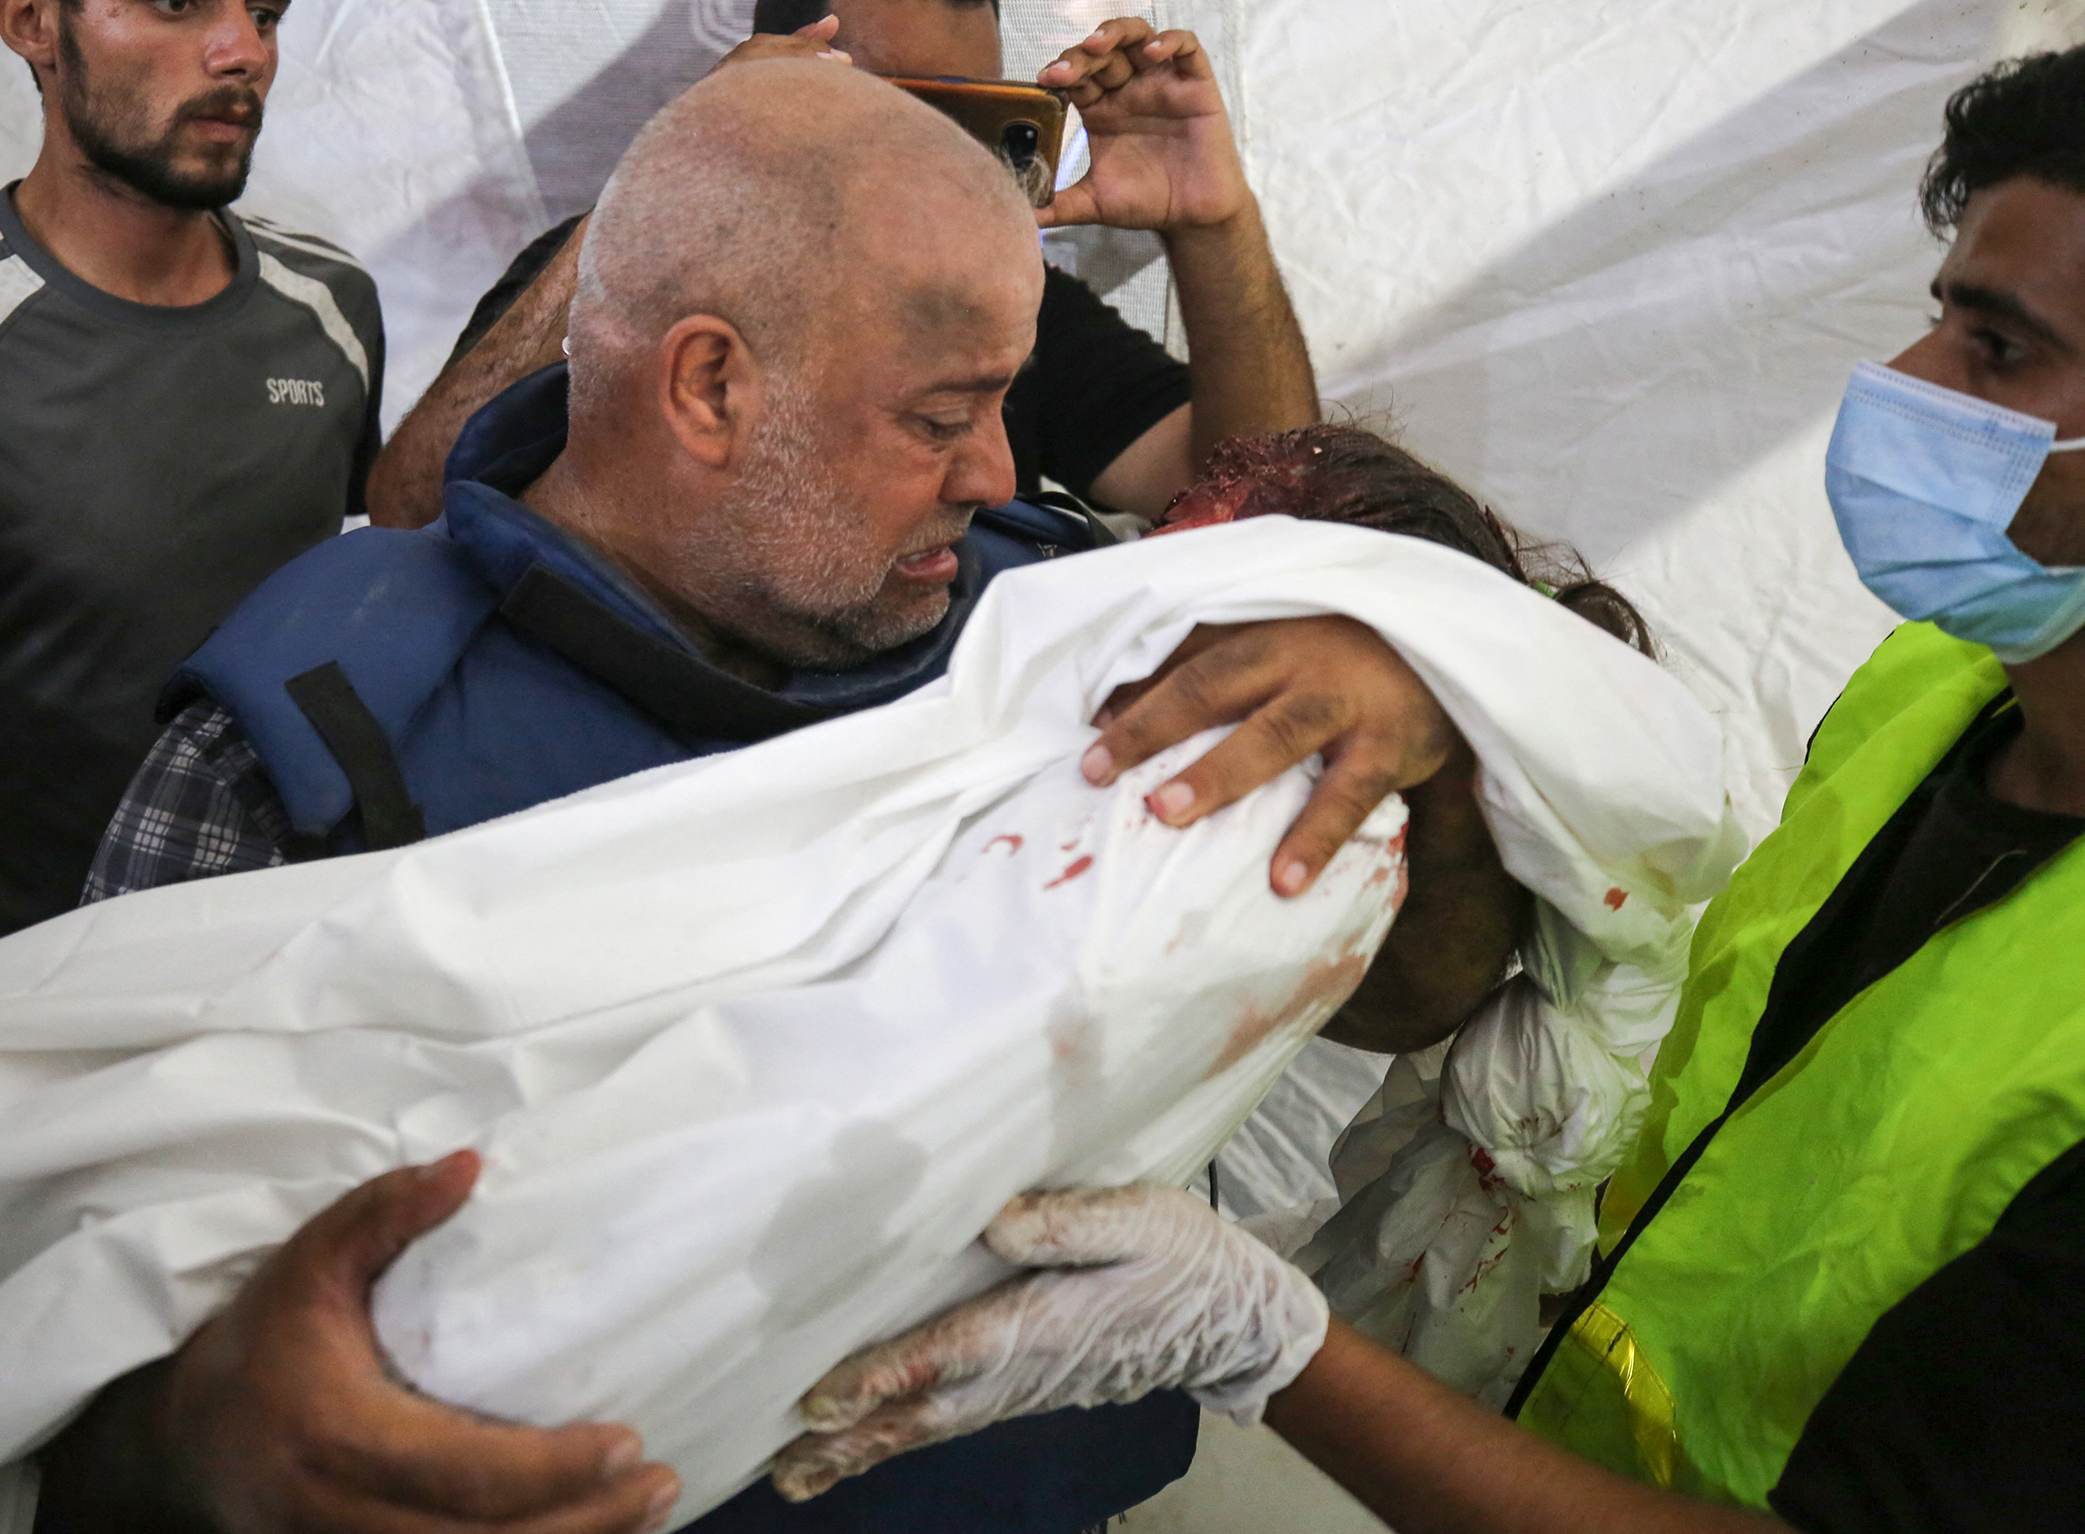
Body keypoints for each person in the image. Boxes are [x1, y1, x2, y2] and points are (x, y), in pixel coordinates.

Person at [57, 58, 1526, 1534]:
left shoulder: (1075, 639)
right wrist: (202, 1437)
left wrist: (1417, 733)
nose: (1001, 469)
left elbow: (1408, 995)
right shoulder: (311, 728)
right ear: (708, 385)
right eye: (943, 414)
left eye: (1011, 400)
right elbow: (50, 1336)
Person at [758, 46, 2085, 1534]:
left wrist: (1271, 1345)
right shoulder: (1939, 689)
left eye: (1998, 350)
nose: (1903, 387)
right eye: (1939, 321)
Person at [0, 0, 384, 981]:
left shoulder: (331, 307)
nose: (243, 52)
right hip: (44, 972)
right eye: (177, 6)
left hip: (307, 947)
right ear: (31, 25)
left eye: (266, 15)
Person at [362, 1, 1317, 531]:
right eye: (885, 114)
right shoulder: (630, 272)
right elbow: (412, 511)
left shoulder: (1005, 308)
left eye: (970, 125)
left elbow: (1264, 500)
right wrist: (668, 180)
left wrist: (1212, 223)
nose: (930, 169)